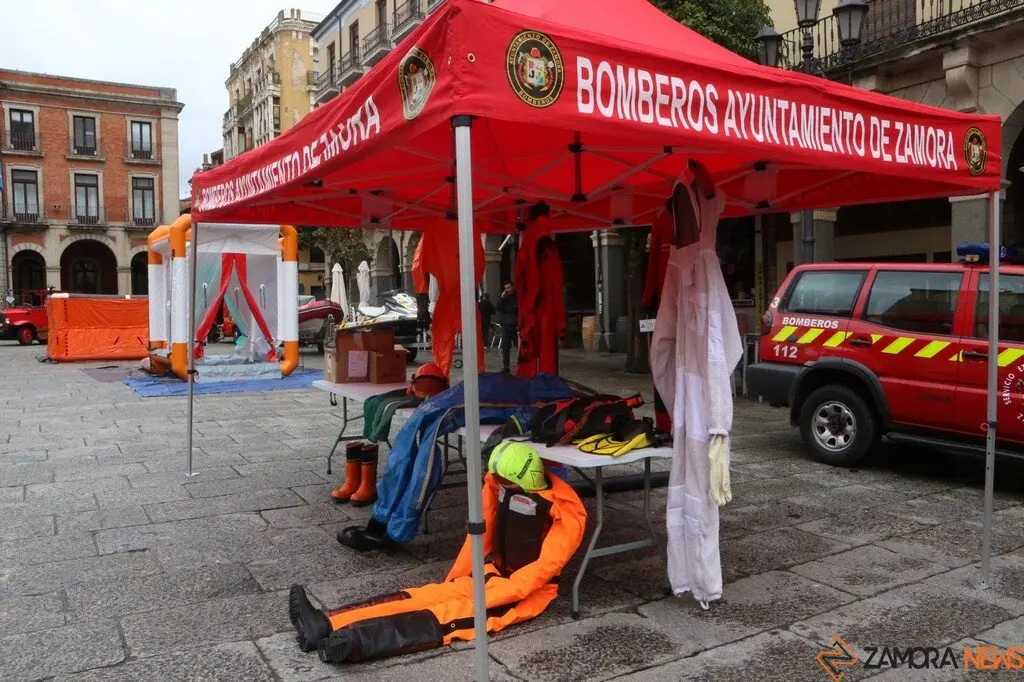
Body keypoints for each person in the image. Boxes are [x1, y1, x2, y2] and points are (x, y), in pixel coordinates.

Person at [289, 442, 587, 664]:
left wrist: (498, 594)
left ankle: (356, 642)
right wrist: (458, 579)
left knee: (447, 616)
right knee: (422, 597)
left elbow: (544, 568)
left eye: (505, 482)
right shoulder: (502, 486)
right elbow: (480, 534)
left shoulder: (563, 511)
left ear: (525, 477)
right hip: (491, 574)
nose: (500, 486)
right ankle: (325, 623)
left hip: (526, 594)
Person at [497, 281, 518, 372]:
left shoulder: (517, 296)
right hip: (506, 325)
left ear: (513, 286)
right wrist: (502, 297)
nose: (507, 290)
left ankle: (521, 365)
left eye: (509, 287)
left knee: (519, 347)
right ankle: (506, 367)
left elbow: (516, 309)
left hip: (516, 325)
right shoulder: (504, 297)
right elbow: (498, 307)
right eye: (506, 288)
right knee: (505, 347)